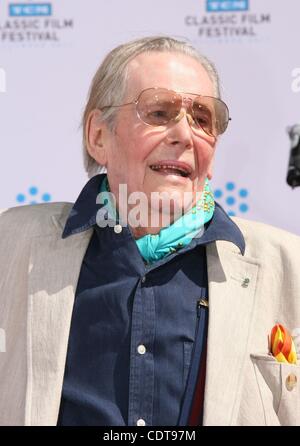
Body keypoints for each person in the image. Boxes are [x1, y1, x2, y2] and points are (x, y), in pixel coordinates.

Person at [0, 36, 300, 427]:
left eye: (203, 120)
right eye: (159, 112)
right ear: (98, 136)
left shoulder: (288, 267)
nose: (185, 135)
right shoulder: (12, 246)